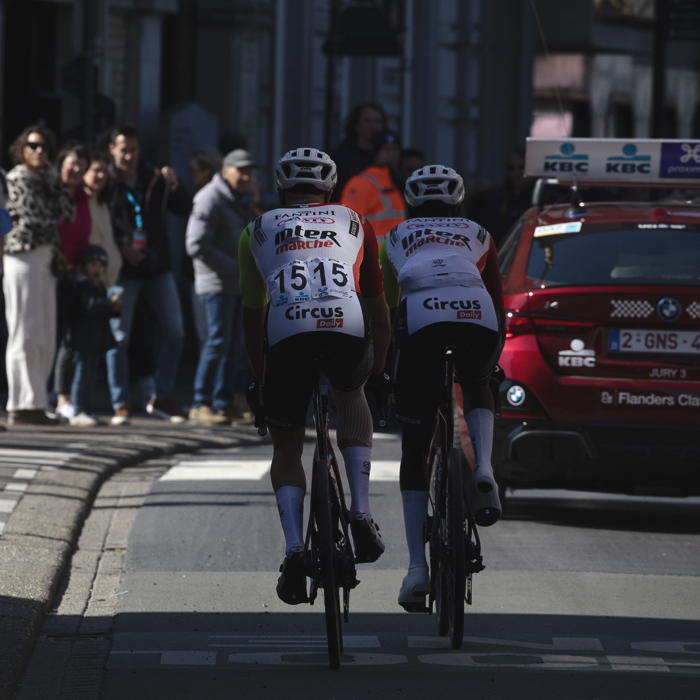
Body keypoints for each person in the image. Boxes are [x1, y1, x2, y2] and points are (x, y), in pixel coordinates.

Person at [239, 148, 391, 604]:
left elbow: (251, 318)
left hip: (286, 335)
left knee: (287, 444)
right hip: (346, 328)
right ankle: (361, 513)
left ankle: (293, 550)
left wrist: (261, 379)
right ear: (329, 189)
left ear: (281, 189)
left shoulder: (256, 229)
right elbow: (377, 308)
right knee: (351, 393)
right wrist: (379, 370)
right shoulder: (355, 221)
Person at [379, 165, 505, 611]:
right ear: (458, 202)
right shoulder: (479, 232)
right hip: (478, 318)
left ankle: (416, 569)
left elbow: (392, 313)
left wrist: (389, 375)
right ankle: (485, 469)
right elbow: (498, 301)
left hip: (423, 319)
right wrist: (493, 363)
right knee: (479, 381)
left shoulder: (394, 236)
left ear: (411, 204)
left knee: (414, 444)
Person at [106, 124, 192, 425]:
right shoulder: (106, 181)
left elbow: (184, 209)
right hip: (122, 269)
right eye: (123, 149)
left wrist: (175, 184)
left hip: (157, 267)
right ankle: (120, 403)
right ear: (112, 150)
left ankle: (163, 395)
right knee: (119, 337)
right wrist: (120, 247)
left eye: (134, 149)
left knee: (174, 331)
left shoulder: (152, 177)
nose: (129, 155)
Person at [4, 125, 74, 426]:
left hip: (46, 257)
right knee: (25, 330)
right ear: (22, 147)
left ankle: (37, 401)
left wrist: (55, 180)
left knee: (46, 331)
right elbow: (35, 216)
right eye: (32, 146)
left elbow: (67, 213)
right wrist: (52, 205)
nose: (38, 151)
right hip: (22, 256)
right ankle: (20, 402)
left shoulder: (49, 179)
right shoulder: (16, 177)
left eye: (44, 147)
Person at [186, 149, 256, 424]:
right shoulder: (210, 198)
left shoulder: (240, 199)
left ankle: (223, 403)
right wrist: (236, 268)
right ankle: (200, 403)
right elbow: (196, 244)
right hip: (215, 284)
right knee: (217, 343)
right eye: (241, 170)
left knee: (234, 346)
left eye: (250, 170)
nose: (246, 176)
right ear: (225, 171)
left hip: (236, 284)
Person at [54, 142, 90, 420]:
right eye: (72, 163)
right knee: (44, 336)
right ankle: (38, 396)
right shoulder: (51, 191)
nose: (76, 169)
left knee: (68, 338)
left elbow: (82, 235)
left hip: (73, 275)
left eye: (81, 164)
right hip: (49, 271)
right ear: (61, 164)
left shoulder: (82, 197)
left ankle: (63, 398)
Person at [69, 245, 122, 427]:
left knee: (91, 377)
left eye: (100, 265)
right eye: (92, 264)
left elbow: (104, 312)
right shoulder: (83, 286)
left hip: (96, 340)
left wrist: (115, 308)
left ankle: (88, 410)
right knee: (82, 375)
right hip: (84, 339)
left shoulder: (100, 287)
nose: (97, 269)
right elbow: (89, 306)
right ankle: (78, 410)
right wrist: (109, 304)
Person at [340, 130, 406, 243]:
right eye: (386, 149)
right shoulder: (361, 182)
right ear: (376, 152)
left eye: (395, 149)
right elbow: (348, 224)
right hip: (373, 257)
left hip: (395, 256)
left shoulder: (398, 182)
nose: (392, 154)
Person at [466, 149, 535, 246]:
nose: (516, 172)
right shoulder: (495, 198)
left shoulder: (544, 199)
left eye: (521, 167)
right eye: (511, 167)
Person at [329, 101, 387, 202]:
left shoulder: (388, 156)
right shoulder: (340, 158)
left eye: (378, 121)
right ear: (356, 125)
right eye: (367, 121)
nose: (373, 126)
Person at [85, 151, 122, 288]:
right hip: (88, 281)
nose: (101, 176)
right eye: (96, 170)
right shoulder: (77, 203)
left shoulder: (102, 203)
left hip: (109, 281)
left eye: (105, 171)